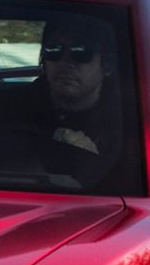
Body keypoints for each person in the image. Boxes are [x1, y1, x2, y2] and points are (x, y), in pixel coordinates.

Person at [33, 16, 126, 189]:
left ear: (107, 66)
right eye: (54, 50)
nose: (66, 62)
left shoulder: (133, 128)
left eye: (81, 52)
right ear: (44, 59)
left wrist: (91, 162)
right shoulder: (9, 108)